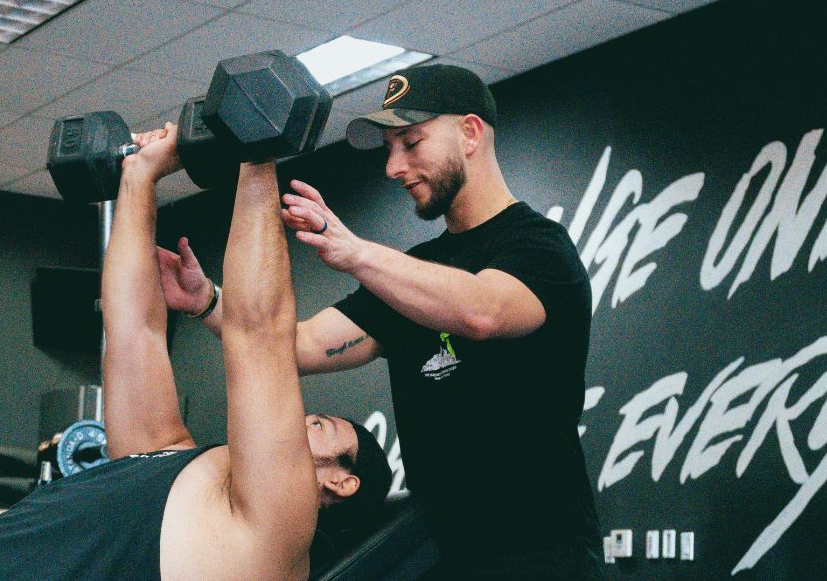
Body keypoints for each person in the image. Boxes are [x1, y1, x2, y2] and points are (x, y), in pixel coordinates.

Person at [159, 64, 603, 579]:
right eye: (390, 148)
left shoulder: (538, 246)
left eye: (411, 143)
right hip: (444, 553)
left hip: (544, 554)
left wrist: (354, 252)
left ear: (470, 133)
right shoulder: (412, 269)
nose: (393, 167)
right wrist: (206, 301)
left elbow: (484, 311)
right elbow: (297, 347)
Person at [0, 124, 391, 580]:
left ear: (341, 483)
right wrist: (140, 175)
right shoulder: (169, 461)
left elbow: (258, 337)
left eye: (319, 426)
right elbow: (133, 331)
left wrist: (257, 153)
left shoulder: (274, 536)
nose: (299, 419)